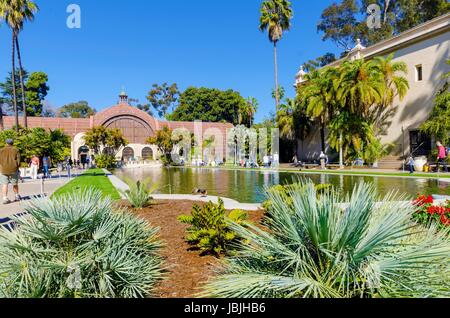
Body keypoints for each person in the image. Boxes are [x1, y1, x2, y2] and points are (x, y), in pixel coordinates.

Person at [0, 139, 21, 204]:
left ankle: (5, 198)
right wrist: (17, 167)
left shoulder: (1, 150)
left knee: (4, 184)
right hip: (13, 169)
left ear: (6, 143)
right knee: (15, 183)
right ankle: (16, 196)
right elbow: (18, 160)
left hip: (3, 169)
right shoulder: (16, 150)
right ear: (12, 143)